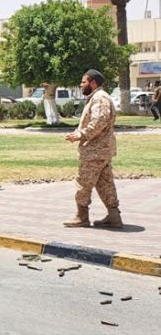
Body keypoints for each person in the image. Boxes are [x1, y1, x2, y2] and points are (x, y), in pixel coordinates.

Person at [63, 69, 122, 228]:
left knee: (84, 182)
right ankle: (114, 216)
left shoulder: (99, 98)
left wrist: (81, 135)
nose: (81, 85)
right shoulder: (97, 98)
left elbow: (99, 121)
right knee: (105, 183)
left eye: (84, 82)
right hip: (101, 150)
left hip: (95, 151)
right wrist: (78, 133)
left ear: (93, 83)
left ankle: (81, 216)